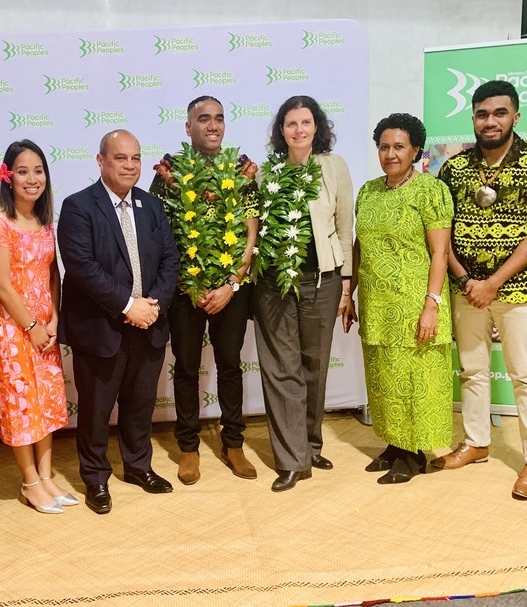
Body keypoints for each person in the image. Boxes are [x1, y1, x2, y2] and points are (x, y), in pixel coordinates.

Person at [434, 80, 527, 500]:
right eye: (482, 113)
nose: (490, 121)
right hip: (466, 289)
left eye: (499, 113)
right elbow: (442, 231)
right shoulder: (454, 169)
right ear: (472, 117)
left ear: (515, 117)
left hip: (519, 290)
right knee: (472, 370)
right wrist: (464, 279)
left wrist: (494, 282)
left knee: (526, 376)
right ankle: (476, 442)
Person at [57, 129, 179, 515]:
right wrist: (129, 306)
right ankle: (95, 478)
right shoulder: (79, 206)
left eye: (136, 159)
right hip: (102, 327)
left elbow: (170, 260)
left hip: (150, 325)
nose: (130, 166)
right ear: (101, 161)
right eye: (121, 158)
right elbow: (81, 267)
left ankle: (138, 468)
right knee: (95, 410)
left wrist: (152, 306)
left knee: (140, 405)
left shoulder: (151, 206)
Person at [150, 95, 259, 485]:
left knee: (230, 365)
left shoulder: (241, 168)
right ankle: (189, 448)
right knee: (186, 368)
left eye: (218, 119)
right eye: (203, 119)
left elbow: (252, 234)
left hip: (231, 288)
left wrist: (231, 284)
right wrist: (188, 283)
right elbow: (160, 236)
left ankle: (233, 444)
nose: (212, 125)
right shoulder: (170, 172)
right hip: (185, 292)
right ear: (188, 127)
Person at [343, 113, 453, 484]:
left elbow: (440, 253)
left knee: (412, 378)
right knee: (383, 377)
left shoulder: (430, 191)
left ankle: (413, 453)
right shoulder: (369, 191)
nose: (390, 154)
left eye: (398, 147)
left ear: (416, 149)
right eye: (384, 147)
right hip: (378, 302)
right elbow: (360, 246)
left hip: (415, 302)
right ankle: (394, 443)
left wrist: (431, 305)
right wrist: (349, 292)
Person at [253, 95, 354, 492]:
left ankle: (311, 444)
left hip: (323, 280)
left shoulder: (334, 167)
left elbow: (345, 227)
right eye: (291, 124)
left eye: (306, 122)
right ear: (282, 130)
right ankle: (292, 460)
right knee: (282, 369)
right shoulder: (265, 175)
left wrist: (346, 284)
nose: (299, 130)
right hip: (275, 284)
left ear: (317, 127)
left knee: (314, 365)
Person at [0, 140, 76, 515]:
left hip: (46, 327)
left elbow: (54, 273)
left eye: (38, 170)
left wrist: (53, 318)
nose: (32, 178)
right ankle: (30, 482)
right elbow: (1, 285)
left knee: (48, 403)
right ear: (8, 176)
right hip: (13, 328)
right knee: (21, 407)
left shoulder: (45, 222)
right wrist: (33, 324)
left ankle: (47, 476)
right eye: (22, 171)